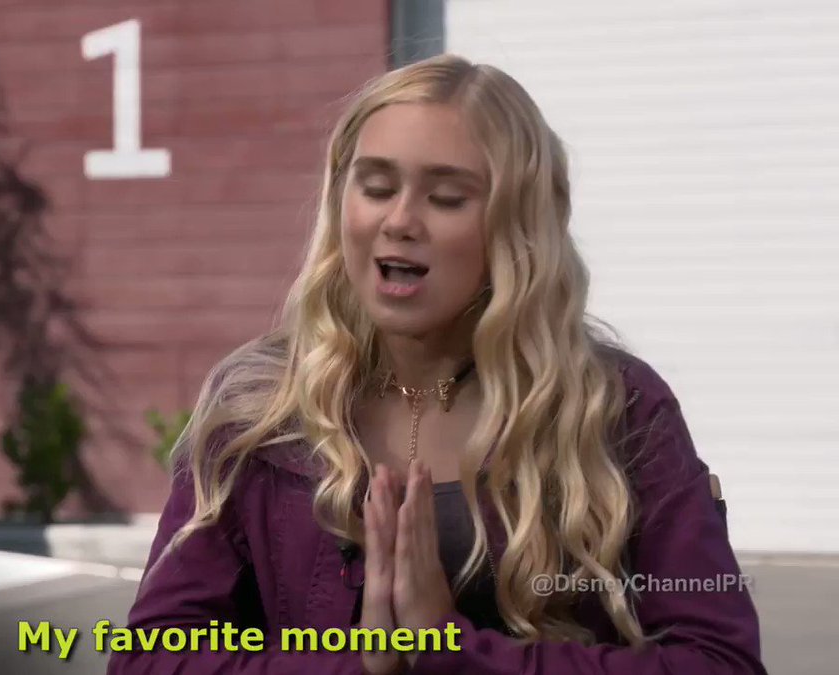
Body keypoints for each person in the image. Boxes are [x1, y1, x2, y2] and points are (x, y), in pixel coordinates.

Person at [105, 53, 765, 675]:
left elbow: (718, 661)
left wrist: (450, 649)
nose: (399, 220)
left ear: (517, 226)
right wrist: (359, 663)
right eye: (376, 187)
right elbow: (151, 656)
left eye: (446, 198)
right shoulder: (258, 408)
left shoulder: (616, 408)